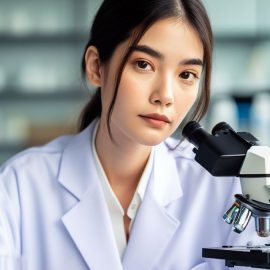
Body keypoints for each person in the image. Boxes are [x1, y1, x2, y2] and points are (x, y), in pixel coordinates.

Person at [0, 0, 264, 269]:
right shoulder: (20, 186)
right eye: (143, 64)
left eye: (186, 74)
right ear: (95, 67)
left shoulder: (223, 188)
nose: (165, 96)